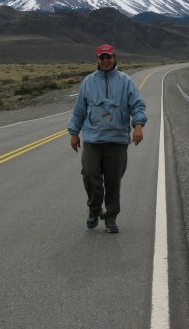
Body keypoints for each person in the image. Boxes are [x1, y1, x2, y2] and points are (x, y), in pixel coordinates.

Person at [68, 44, 148, 234]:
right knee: (89, 174)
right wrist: (74, 132)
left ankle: (111, 217)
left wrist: (138, 125)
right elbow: (79, 109)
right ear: (97, 60)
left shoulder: (125, 81)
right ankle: (94, 211)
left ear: (115, 58)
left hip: (117, 140)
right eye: (102, 58)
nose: (106, 61)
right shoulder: (88, 82)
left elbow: (137, 105)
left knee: (113, 182)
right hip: (93, 140)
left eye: (109, 57)